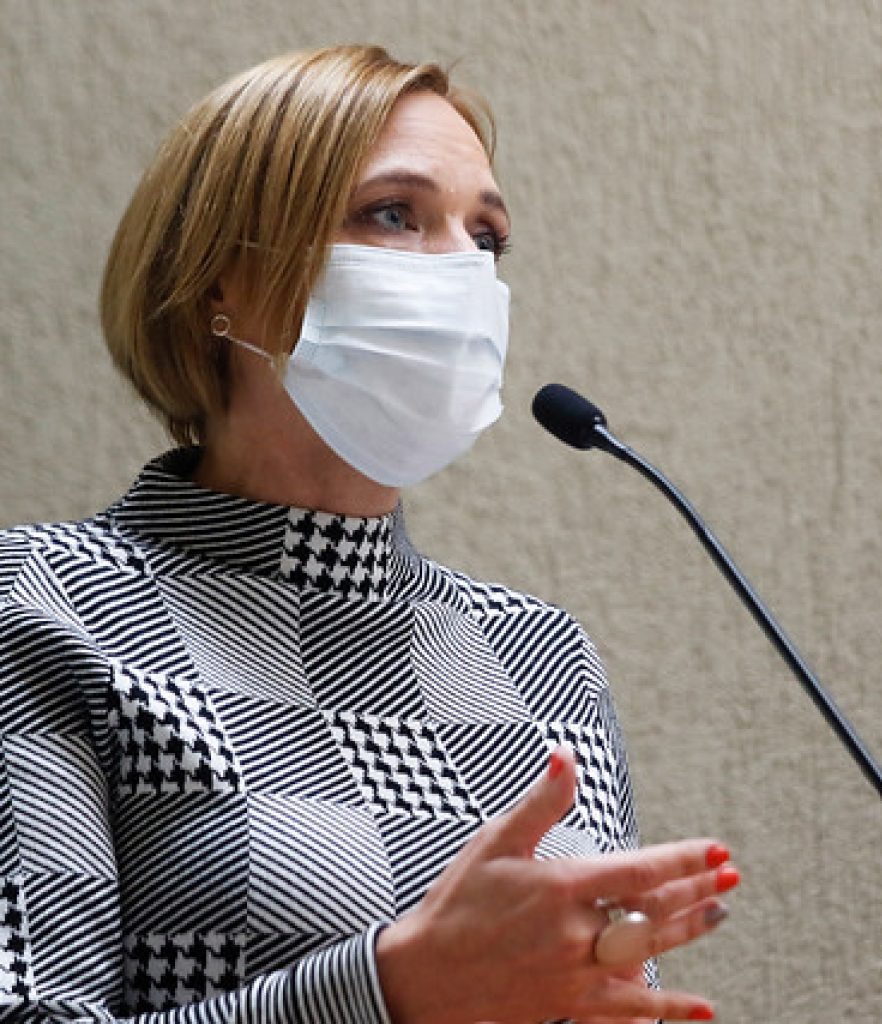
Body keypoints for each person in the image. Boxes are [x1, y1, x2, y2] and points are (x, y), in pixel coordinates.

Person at [0, 45, 739, 1023]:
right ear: (220, 279)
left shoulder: (541, 653)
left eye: (487, 237)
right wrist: (391, 991)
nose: (464, 270)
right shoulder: (43, 602)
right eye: (394, 214)